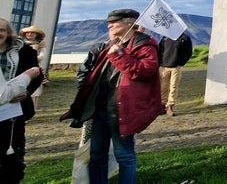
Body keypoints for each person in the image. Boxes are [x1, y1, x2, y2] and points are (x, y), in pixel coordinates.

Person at [59, 9, 163, 184]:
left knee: (124, 155)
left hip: (122, 109)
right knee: (97, 155)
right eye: (109, 21)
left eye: (114, 21)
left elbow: (144, 71)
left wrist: (119, 55)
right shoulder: (109, 44)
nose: (109, 24)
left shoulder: (145, 45)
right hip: (100, 109)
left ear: (130, 22)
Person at [0, 19, 43, 183]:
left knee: (11, 161)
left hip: (13, 114)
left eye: (2, 30)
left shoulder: (24, 52)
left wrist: (25, 91)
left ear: (8, 32)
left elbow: (37, 77)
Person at [158, 32, 193, 116]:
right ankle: (163, 105)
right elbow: (160, 50)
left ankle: (170, 105)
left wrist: (181, 63)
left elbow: (188, 52)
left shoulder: (184, 38)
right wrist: (159, 63)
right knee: (163, 87)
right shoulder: (165, 37)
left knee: (173, 86)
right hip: (163, 67)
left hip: (176, 67)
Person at [18, 25, 47, 110]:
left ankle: (31, 110)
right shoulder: (20, 44)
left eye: (32, 33)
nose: (30, 34)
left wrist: (34, 50)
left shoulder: (41, 44)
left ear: (36, 34)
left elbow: (41, 56)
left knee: (34, 92)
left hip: (35, 69)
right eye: (28, 33)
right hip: (23, 69)